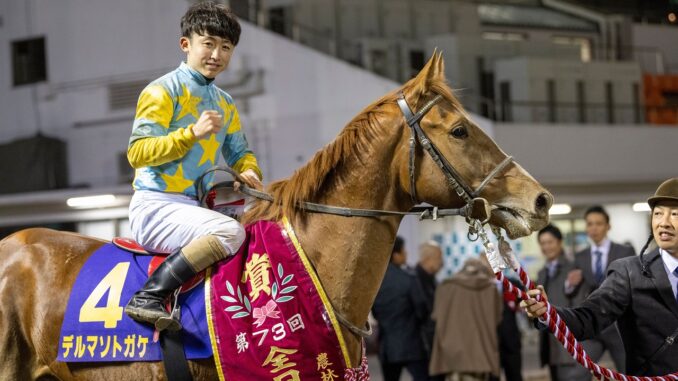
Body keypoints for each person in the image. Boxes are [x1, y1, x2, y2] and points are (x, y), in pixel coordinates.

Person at [124, 1, 263, 331]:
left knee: (264, 229)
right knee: (230, 232)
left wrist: (250, 171)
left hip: (194, 208)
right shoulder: (161, 90)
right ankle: (149, 296)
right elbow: (138, 153)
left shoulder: (226, 103)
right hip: (155, 207)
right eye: (209, 44)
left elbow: (240, 152)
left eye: (226, 47)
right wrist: (191, 133)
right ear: (186, 44)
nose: (217, 54)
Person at [521, 178, 678, 376]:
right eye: (658, 214)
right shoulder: (629, 272)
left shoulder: (622, 250)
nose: (664, 222)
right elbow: (589, 316)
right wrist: (549, 312)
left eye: (674, 214)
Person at [566, 206, 633, 374]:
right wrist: (570, 284)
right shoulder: (580, 256)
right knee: (578, 373)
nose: (594, 228)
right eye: (590, 224)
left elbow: (635, 284)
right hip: (593, 325)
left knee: (628, 372)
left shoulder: (625, 251)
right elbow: (571, 291)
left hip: (619, 326)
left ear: (608, 226)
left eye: (598, 223)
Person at [429, 256, 503, 381]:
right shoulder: (491, 289)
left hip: (451, 354)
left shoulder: (445, 287)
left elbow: (436, 316)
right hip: (482, 354)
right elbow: (498, 319)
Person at [372, 236, 431, 381]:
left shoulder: (376, 283)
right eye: (404, 251)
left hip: (388, 347)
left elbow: (375, 312)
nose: (406, 254)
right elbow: (422, 309)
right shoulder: (409, 279)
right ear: (395, 255)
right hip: (412, 344)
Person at [534, 224, 587, 381]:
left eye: (550, 242)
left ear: (559, 242)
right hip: (550, 346)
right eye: (542, 243)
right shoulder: (542, 273)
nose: (546, 247)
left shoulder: (574, 269)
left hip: (569, 346)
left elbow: (580, 307)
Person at [413, 241, 445, 381]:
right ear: (428, 259)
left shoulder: (432, 279)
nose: (442, 262)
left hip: (435, 339)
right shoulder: (415, 280)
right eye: (439, 258)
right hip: (424, 343)